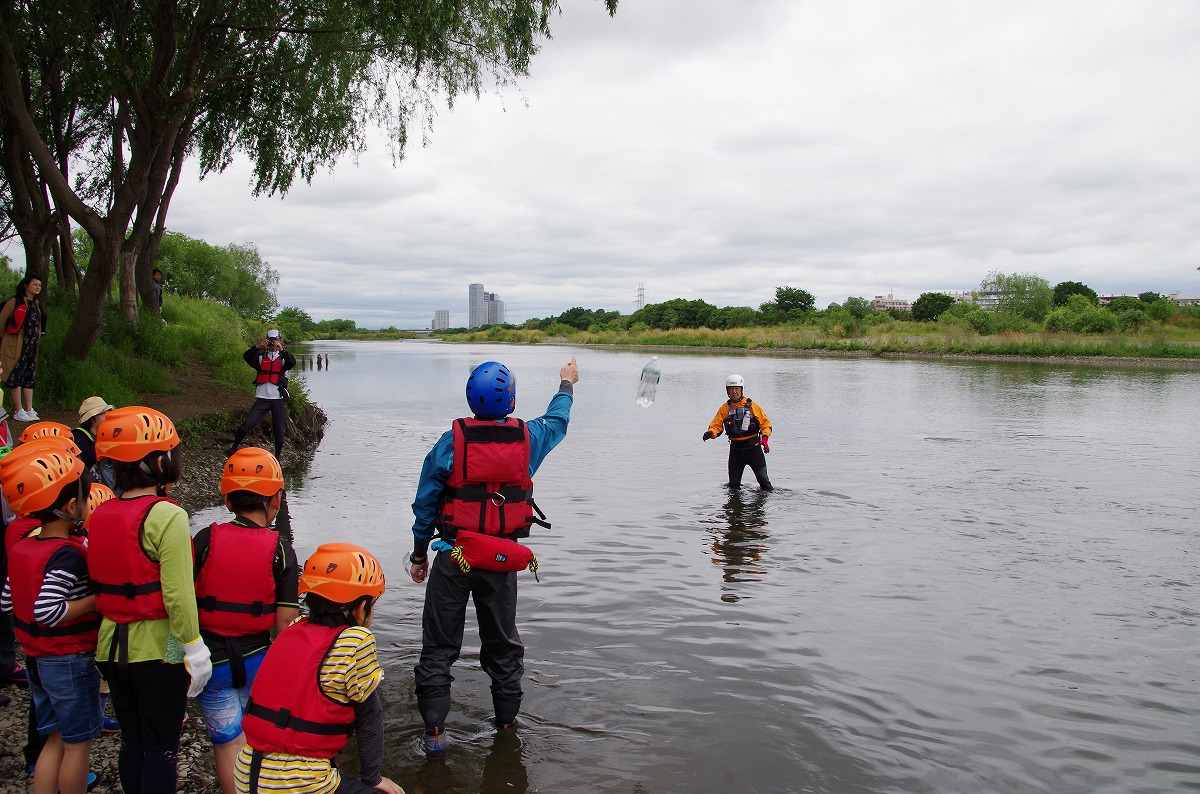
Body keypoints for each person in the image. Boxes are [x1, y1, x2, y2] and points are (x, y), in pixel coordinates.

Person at [409, 357, 579, 753]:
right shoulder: (530, 438)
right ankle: (505, 729)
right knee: (503, 645)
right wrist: (566, 383)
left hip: (454, 557)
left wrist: (420, 554)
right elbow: (559, 421)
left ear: (471, 400)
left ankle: (434, 736)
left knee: (438, 647)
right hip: (501, 563)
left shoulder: (450, 443)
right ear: (513, 401)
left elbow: (424, 504)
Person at [88, 406, 212, 794]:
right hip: (159, 653)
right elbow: (177, 593)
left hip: (110, 650)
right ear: (157, 461)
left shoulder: (101, 513)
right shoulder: (167, 516)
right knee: (161, 748)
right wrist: (194, 648)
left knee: (133, 740)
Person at [235, 543, 404, 794]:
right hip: (296, 782)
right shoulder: (355, 640)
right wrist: (373, 778)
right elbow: (370, 716)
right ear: (360, 608)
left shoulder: (292, 629)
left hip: (247, 771)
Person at [193, 448, 299, 794]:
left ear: (227, 500)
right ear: (276, 501)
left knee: (227, 743)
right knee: (258, 739)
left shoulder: (205, 539)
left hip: (212, 662)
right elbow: (285, 622)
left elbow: (181, 600)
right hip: (258, 661)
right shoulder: (281, 548)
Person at [0, 440, 101, 794]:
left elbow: (7, 602)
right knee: (78, 744)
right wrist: (93, 600)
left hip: (36, 661)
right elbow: (48, 610)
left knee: (54, 739)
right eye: (87, 500)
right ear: (73, 506)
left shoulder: (23, 546)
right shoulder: (67, 556)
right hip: (68, 660)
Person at [227, 330, 296, 461]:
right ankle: (234, 448)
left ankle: (277, 457)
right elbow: (247, 356)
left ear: (280, 340)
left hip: (278, 399)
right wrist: (257, 347)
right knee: (248, 423)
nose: (272, 343)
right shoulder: (260, 357)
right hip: (262, 398)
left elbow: (292, 362)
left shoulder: (284, 359)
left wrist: (282, 350)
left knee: (279, 428)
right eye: (270, 340)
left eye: (275, 340)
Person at [702, 374, 774, 491]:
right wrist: (711, 433)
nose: (734, 392)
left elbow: (766, 424)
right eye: (731, 389)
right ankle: (735, 508)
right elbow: (716, 426)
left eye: (737, 389)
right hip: (736, 452)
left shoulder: (752, 406)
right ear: (727, 391)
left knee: (764, 481)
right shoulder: (724, 409)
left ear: (741, 390)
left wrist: (765, 439)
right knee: (733, 486)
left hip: (754, 450)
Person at [0, 275, 49, 422]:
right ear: (26, 286)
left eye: (39, 285)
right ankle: (18, 410)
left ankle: (29, 409)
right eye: (35, 284)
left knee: (29, 376)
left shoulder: (36, 304)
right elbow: (2, 321)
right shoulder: (15, 301)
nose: (37, 287)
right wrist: (3, 339)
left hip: (31, 346)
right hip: (15, 346)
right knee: (16, 374)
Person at [73, 397, 117, 490]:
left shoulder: (111, 432)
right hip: (94, 488)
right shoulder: (79, 435)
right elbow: (86, 456)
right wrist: (107, 442)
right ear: (92, 419)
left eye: (109, 412)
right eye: (103, 414)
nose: (108, 416)